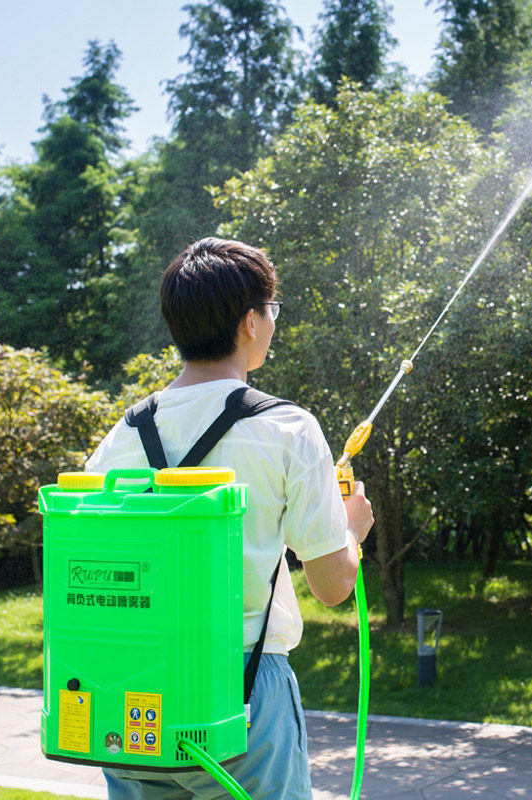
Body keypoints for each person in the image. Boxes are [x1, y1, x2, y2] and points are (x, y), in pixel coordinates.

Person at [85, 237, 374, 800]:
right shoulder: (286, 429)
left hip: (129, 693)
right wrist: (351, 531)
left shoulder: (119, 438)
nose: (272, 323)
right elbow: (334, 585)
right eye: (272, 310)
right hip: (242, 694)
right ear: (249, 322)